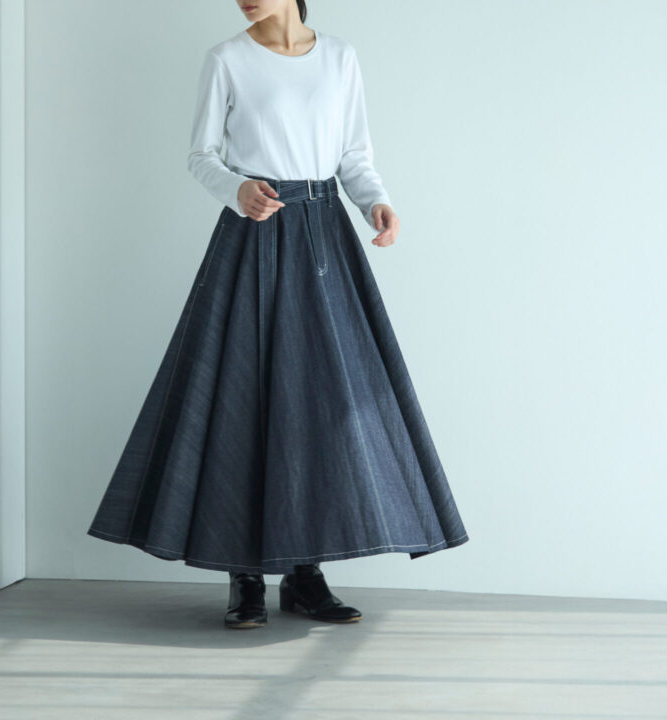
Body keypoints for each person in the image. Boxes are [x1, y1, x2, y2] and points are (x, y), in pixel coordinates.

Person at [87, 0, 469, 630]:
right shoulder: (226, 60)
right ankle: (244, 576)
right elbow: (201, 155)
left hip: (326, 240)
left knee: (323, 406)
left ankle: (305, 575)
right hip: (254, 234)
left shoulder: (340, 58)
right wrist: (236, 189)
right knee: (243, 395)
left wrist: (376, 203)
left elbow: (354, 156)